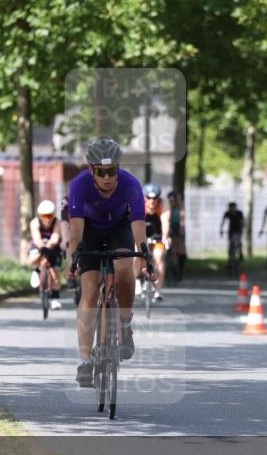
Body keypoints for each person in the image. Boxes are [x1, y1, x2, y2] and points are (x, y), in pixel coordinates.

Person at [67, 138, 156, 387]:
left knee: (126, 270)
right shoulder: (79, 185)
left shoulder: (130, 184)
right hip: (90, 231)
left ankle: (125, 322)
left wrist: (148, 258)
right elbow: (76, 232)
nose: (107, 177)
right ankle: (85, 360)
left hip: (119, 228)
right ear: (91, 171)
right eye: (101, 172)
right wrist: (72, 261)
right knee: (90, 291)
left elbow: (139, 230)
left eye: (112, 171)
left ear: (118, 169)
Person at [28, 199, 63, 309]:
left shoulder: (58, 222)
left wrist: (50, 245)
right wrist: (42, 246)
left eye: (50, 216)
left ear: (54, 215)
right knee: (32, 259)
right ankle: (37, 270)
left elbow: (56, 237)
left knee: (55, 272)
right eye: (44, 216)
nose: (47, 219)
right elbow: (36, 237)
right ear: (40, 215)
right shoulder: (34, 222)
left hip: (53, 246)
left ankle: (55, 299)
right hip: (39, 245)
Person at [142, 183, 167, 301]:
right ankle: (138, 279)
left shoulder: (163, 205)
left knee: (159, 257)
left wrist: (166, 237)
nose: (152, 201)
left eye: (155, 198)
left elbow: (166, 221)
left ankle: (157, 291)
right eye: (149, 198)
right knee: (137, 253)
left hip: (158, 236)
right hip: (142, 235)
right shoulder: (140, 205)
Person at [163, 190, 187, 274]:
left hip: (178, 226)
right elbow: (165, 219)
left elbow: (182, 219)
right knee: (169, 244)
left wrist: (181, 229)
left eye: (174, 200)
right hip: (169, 226)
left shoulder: (180, 206)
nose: (172, 202)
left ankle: (181, 266)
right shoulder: (167, 206)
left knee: (181, 247)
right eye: (170, 201)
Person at [220, 202, 245, 274]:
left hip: (238, 230)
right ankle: (229, 260)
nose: (232, 210)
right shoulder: (227, 213)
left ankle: (240, 253)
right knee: (230, 245)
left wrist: (243, 228)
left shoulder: (239, 213)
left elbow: (243, 222)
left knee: (239, 241)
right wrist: (221, 229)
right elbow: (223, 221)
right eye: (231, 208)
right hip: (231, 231)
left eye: (233, 208)